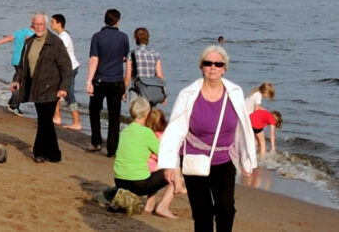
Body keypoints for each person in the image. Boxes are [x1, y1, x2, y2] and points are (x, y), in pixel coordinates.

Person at [158, 45, 257, 232]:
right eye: (208, 63)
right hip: (195, 161)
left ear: (224, 68)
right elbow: (175, 130)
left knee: (226, 210)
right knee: (203, 213)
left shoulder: (234, 93)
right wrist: (170, 165)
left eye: (218, 64)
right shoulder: (188, 94)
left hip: (224, 161)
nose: (213, 67)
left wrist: (247, 160)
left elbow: (243, 128)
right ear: (201, 66)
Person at [9, 12, 71, 163]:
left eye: (41, 24)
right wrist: (17, 80)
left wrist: (63, 87)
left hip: (51, 87)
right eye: (36, 24)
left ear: (46, 24)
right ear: (32, 25)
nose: (39, 27)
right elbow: (22, 66)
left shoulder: (55, 42)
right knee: (46, 121)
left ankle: (39, 152)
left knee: (44, 120)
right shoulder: (29, 42)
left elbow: (66, 66)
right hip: (35, 87)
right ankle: (54, 154)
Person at [102, 96, 177, 218]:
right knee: (172, 171)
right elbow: (165, 154)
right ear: (147, 113)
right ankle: (163, 206)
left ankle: (150, 203)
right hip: (138, 184)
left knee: (151, 169)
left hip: (120, 181)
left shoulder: (125, 131)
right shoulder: (146, 133)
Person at [86, 8, 130, 157]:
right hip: (116, 80)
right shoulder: (123, 37)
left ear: (105, 20)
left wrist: (89, 81)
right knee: (114, 116)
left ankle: (96, 141)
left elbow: (94, 59)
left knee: (94, 110)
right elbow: (125, 58)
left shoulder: (97, 37)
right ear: (118, 21)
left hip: (100, 79)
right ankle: (112, 148)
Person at [0, 22, 35, 116]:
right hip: (23, 62)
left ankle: (12, 104)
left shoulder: (21, 31)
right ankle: (14, 105)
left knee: (18, 80)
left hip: (16, 60)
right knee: (21, 83)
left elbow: (9, 38)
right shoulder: (32, 34)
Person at [50, 13, 82, 130]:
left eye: (52, 22)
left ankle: (76, 122)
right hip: (66, 68)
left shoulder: (63, 37)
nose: (50, 24)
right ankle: (57, 117)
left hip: (69, 69)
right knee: (57, 91)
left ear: (59, 23)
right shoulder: (63, 36)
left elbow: (58, 54)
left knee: (68, 95)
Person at [128, 27, 167, 108]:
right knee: (150, 116)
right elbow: (160, 76)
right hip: (152, 90)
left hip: (137, 90)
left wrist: (123, 92)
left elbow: (127, 77)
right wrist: (164, 94)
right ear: (147, 38)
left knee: (137, 116)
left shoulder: (132, 54)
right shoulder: (155, 54)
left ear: (135, 38)